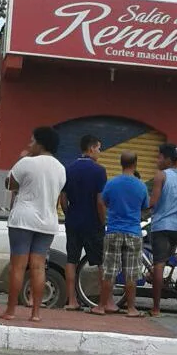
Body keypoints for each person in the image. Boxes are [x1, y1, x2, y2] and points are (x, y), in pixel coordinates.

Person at [0, 127, 65, 322]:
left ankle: (10, 311)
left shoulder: (26, 162)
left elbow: (9, 184)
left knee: (18, 267)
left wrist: (19, 160)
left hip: (23, 220)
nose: (29, 145)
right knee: (39, 267)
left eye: (32, 141)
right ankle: (35, 313)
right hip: (48, 221)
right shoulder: (61, 168)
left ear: (40, 143)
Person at [59, 134, 110, 314]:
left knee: (71, 260)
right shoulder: (99, 171)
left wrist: (69, 214)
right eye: (98, 148)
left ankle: (72, 300)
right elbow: (99, 201)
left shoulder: (69, 169)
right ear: (91, 148)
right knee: (100, 263)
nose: (99, 152)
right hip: (92, 223)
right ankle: (103, 303)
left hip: (73, 221)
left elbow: (63, 198)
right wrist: (102, 221)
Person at [99, 151, 149, 318]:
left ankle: (101, 306)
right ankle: (131, 308)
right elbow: (144, 206)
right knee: (131, 272)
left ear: (120, 163)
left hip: (113, 230)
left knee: (109, 270)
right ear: (135, 164)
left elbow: (104, 201)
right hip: (133, 231)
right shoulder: (141, 186)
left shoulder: (112, 183)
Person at [149, 143, 177, 318]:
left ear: (167, 159)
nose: (157, 161)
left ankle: (156, 308)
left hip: (162, 226)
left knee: (158, 265)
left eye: (159, 157)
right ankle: (166, 283)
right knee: (165, 261)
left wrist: (142, 209)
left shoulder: (161, 176)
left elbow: (153, 202)